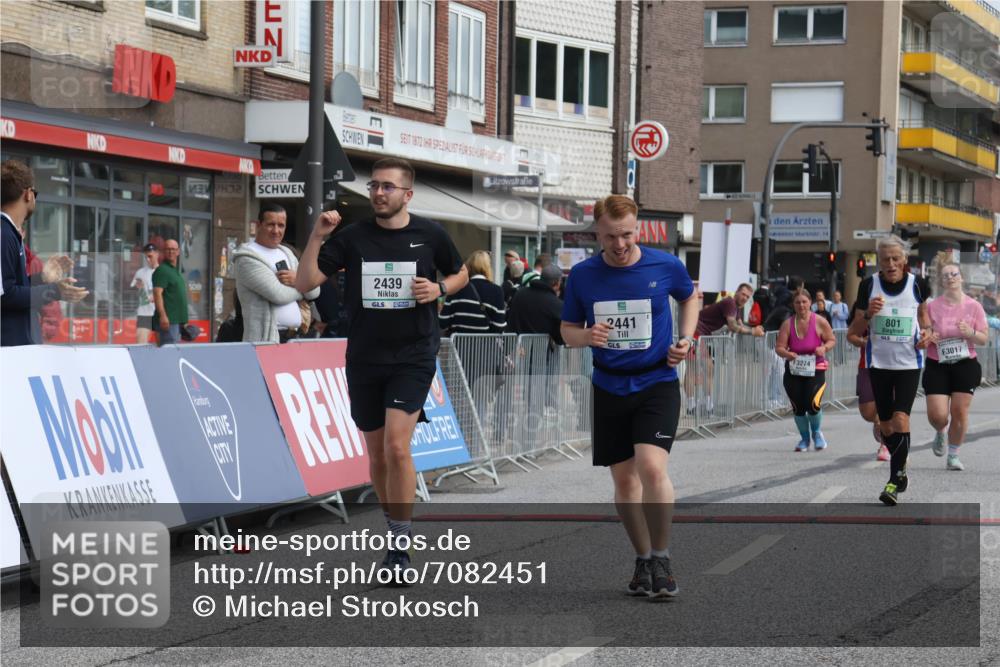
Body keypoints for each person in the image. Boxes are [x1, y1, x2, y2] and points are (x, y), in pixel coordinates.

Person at [296, 157, 468, 582]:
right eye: (374, 186)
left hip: (413, 353)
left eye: (387, 187)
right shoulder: (353, 237)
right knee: (376, 454)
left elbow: (460, 272)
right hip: (365, 355)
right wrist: (317, 236)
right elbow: (304, 283)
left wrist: (440, 288)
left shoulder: (430, 234)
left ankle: (399, 545)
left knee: (396, 447)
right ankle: (394, 532)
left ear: (407, 194)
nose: (378, 193)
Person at [560, 194, 698, 599]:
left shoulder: (665, 264)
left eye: (626, 235)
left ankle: (662, 557)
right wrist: (586, 336)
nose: (619, 245)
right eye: (609, 237)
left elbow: (689, 296)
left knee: (652, 468)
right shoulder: (583, 276)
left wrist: (686, 340)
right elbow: (567, 330)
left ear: (637, 228)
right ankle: (642, 560)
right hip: (608, 385)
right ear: (596, 234)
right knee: (624, 481)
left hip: (656, 381)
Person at [847, 235, 929, 506]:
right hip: (878, 363)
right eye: (886, 260)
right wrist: (869, 313)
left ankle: (894, 480)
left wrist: (927, 335)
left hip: (908, 364)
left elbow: (925, 321)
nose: (891, 264)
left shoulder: (918, 284)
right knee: (884, 426)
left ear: (905, 260)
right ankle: (901, 467)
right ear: (878, 262)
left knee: (900, 419)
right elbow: (854, 331)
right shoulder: (869, 285)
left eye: (896, 259)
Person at [1, 159, 87, 346]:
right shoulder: (4, 234)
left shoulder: (8, 233)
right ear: (28, 194)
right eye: (35, 193)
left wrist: (42, 278)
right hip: (8, 351)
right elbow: (5, 295)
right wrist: (55, 290)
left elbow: (11, 287)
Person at [919, 258, 988, 471]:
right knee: (938, 416)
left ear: (962, 278)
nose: (950, 278)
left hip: (965, 364)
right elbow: (923, 333)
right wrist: (929, 336)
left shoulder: (974, 306)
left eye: (954, 274)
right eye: (946, 275)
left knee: (959, 412)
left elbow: (983, 338)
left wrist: (971, 333)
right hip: (937, 364)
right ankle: (940, 431)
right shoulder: (932, 306)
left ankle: (954, 454)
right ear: (941, 281)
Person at [233, 203, 319, 343]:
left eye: (281, 225)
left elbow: (315, 292)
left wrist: (297, 280)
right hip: (267, 340)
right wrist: (302, 285)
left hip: (297, 336)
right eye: (271, 224)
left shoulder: (287, 253)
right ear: (258, 225)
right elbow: (278, 295)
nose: (276, 230)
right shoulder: (246, 258)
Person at [684, 282, 763, 413]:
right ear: (737, 292)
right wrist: (753, 332)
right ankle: (692, 405)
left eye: (748, 297)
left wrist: (755, 330)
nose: (744, 298)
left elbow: (740, 326)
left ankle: (707, 404)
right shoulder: (729, 303)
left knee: (708, 368)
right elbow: (733, 327)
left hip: (700, 334)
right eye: (743, 294)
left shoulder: (736, 308)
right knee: (693, 369)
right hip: (694, 332)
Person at [775, 288, 836, 451]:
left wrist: (824, 348)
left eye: (804, 301)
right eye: (797, 302)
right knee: (798, 407)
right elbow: (779, 347)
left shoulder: (819, 321)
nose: (801, 305)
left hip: (815, 369)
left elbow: (831, 339)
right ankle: (804, 439)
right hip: (794, 371)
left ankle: (816, 433)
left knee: (813, 403)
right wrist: (788, 354)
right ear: (793, 304)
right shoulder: (788, 324)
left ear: (810, 303)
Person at [848, 321, 890, 462]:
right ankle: (879, 421)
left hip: (895, 364)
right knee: (867, 412)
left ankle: (885, 445)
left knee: (890, 408)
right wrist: (861, 341)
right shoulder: (866, 310)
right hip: (867, 364)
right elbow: (851, 335)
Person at [439, 250, 506, 335]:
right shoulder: (497, 291)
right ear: (488, 268)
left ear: (468, 267)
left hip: (457, 346)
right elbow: (499, 327)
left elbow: (443, 322)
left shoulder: (457, 286)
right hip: (485, 346)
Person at [507, 263, 564, 345]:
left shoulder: (520, 293)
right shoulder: (556, 304)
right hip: (540, 353)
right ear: (557, 283)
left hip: (514, 349)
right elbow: (560, 337)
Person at [152, 239, 188, 346]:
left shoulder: (175, 271)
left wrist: (184, 320)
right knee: (168, 356)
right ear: (163, 251)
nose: (170, 252)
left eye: (173, 249)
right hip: (168, 322)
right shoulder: (162, 270)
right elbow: (157, 294)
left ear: (178, 251)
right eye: (167, 249)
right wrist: (163, 316)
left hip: (176, 322)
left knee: (173, 354)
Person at [131, 243, 159, 344]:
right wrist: (139, 288)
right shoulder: (140, 272)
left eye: (150, 256)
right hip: (144, 314)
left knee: (162, 346)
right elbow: (133, 290)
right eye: (146, 256)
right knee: (141, 345)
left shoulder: (162, 272)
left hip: (160, 314)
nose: (148, 259)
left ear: (157, 254)